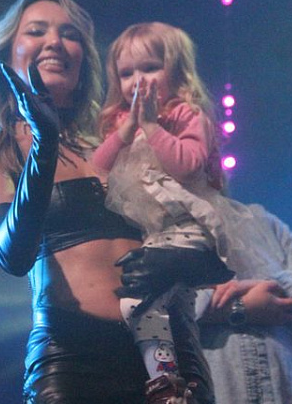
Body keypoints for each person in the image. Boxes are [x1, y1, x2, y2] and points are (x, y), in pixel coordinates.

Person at [0, 0, 223, 404]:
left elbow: (204, 230)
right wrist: (43, 145)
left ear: (83, 60)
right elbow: (13, 255)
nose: (55, 42)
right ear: (7, 54)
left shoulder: (114, 142)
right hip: (75, 360)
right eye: (37, 31)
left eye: (69, 34)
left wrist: (187, 261)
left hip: (169, 350)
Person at [93, 22, 249, 401]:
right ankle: (168, 382)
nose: (137, 81)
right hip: (155, 234)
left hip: (190, 226)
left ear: (176, 72)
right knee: (153, 310)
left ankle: (169, 378)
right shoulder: (121, 124)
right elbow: (97, 169)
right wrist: (129, 128)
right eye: (126, 73)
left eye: (150, 68)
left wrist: (151, 125)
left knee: (140, 300)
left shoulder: (187, 115)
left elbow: (187, 164)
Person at [197, 203, 292, 404]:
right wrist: (241, 307)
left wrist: (273, 287)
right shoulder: (155, 224)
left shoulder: (260, 219)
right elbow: (153, 308)